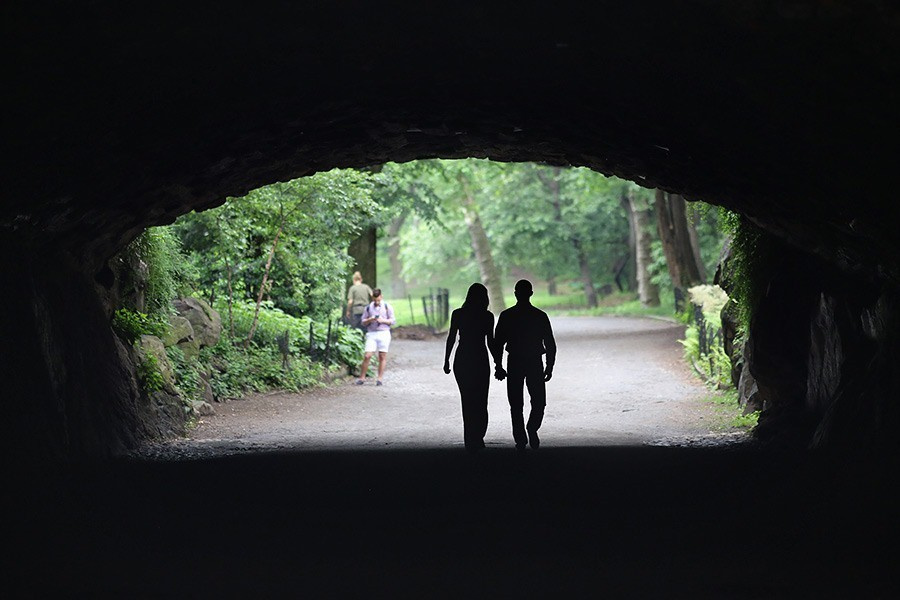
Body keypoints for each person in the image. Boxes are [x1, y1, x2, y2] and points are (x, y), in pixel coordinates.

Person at [492, 279, 557, 450]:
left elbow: (498, 343)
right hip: (534, 362)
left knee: (515, 403)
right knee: (539, 401)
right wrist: (549, 366)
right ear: (531, 293)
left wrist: (498, 365)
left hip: (515, 361)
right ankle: (532, 428)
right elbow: (550, 343)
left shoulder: (507, 316)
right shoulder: (539, 316)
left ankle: (520, 438)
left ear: (515, 294)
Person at [443, 283, 497, 452]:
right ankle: (478, 436)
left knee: (467, 400)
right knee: (481, 400)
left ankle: (470, 439)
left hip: (462, 359)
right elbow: (490, 342)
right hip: (480, 359)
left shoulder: (458, 314)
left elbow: (452, 338)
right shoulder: (487, 316)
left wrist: (447, 360)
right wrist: (498, 363)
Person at [355, 288, 395, 386]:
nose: (377, 302)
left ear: (381, 297)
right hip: (372, 333)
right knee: (367, 355)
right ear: (372, 298)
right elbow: (363, 321)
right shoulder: (368, 308)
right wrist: (370, 319)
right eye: (375, 300)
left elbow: (393, 321)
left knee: (382, 356)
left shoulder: (387, 306)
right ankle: (362, 378)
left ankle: (379, 378)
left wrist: (383, 320)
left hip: (384, 332)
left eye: (378, 300)